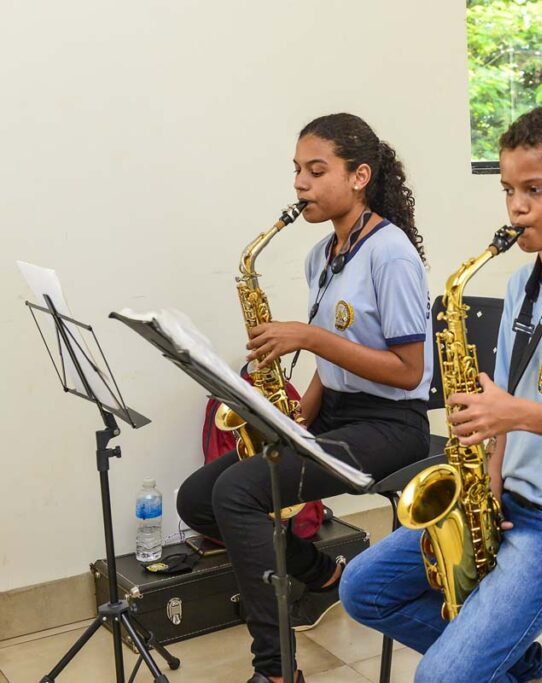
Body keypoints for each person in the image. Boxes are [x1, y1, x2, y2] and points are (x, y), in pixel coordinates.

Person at [339, 106, 542, 683]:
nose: (516, 207)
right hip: (514, 499)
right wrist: (487, 482)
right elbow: (504, 408)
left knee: (438, 678)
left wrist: (520, 414)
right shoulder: (521, 283)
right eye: (509, 189)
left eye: (535, 190)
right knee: (363, 589)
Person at [177, 113, 432, 683]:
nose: (300, 184)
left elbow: (408, 370)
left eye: (317, 171)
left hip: (391, 425)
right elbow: (331, 364)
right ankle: (320, 574)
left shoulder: (390, 254)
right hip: (338, 414)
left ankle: (275, 669)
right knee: (197, 498)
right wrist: (297, 418)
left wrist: (311, 336)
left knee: (241, 494)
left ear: (360, 176)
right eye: (297, 171)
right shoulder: (323, 253)